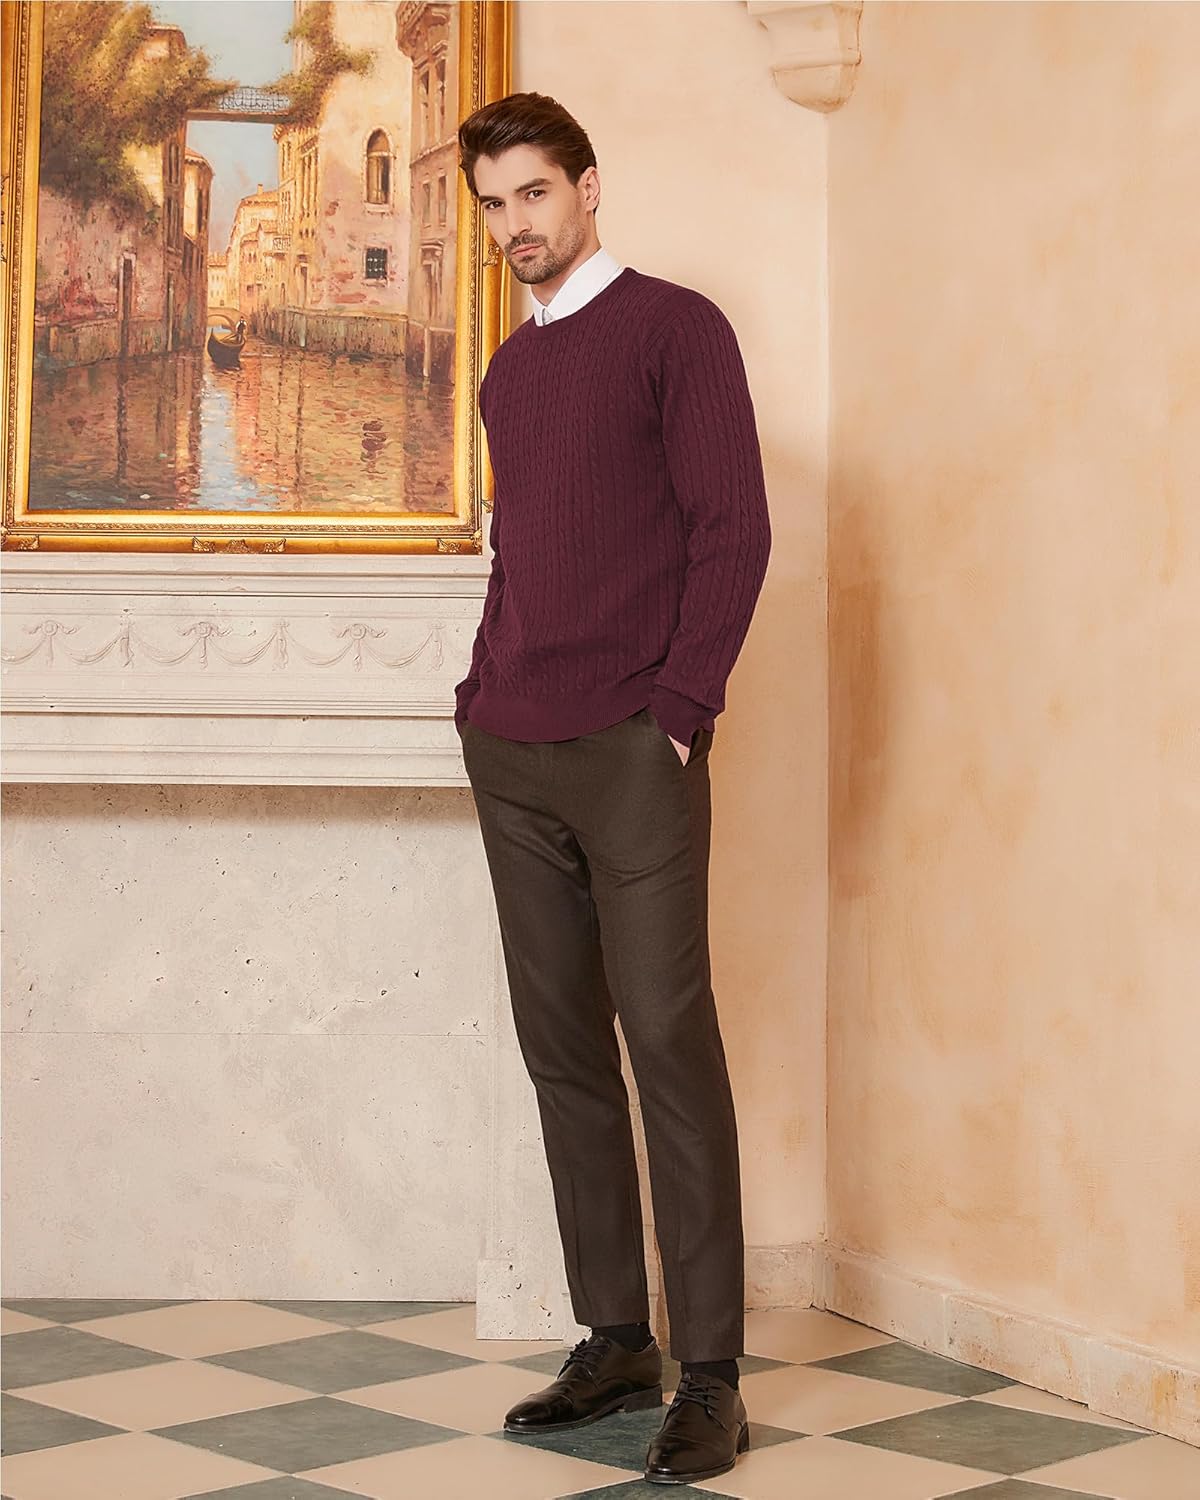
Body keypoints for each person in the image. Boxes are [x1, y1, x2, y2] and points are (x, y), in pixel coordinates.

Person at [454, 91, 771, 1486]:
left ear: (587, 189)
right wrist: (479, 693)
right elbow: (521, 551)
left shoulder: (676, 329)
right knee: (564, 1050)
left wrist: (682, 710)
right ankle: (616, 1337)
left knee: (669, 1040)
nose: (514, 224)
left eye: (534, 193)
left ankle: (711, 1373)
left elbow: (734, 529)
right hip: (514, 744)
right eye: (493, 203)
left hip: (637, 747)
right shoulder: (507, 374)